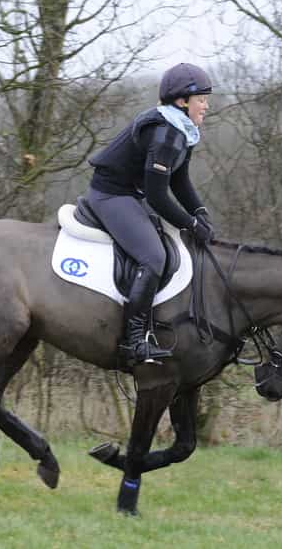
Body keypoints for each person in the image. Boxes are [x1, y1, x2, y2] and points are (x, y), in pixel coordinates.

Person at [85, 62, 215, 365]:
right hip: (111, 195)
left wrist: (200, 213)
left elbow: (178, 179)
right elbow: (158, 196)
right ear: (183, 101)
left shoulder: (182, 128)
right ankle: (133, 341)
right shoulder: (165, 133)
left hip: (131, 194)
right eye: (202, 100)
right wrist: (191, 223)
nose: (206, 106)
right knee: (153, 257)